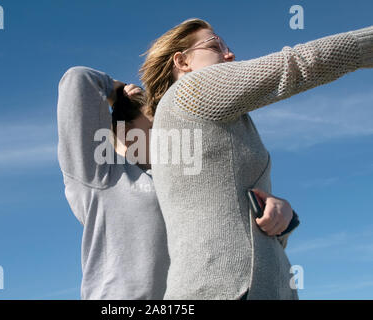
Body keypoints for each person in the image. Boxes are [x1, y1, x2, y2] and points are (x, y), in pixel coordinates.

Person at [140, 18, 373, 299]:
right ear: (183, 62)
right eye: (215, 46)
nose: (230, 54)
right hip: (228, 288)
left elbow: (231, 219)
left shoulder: (194, 121)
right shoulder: (189, 91)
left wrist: (284, 216)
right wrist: (365, 45)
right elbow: (296, 64)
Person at [57, 66, 170, 299]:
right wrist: (116, 91)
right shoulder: (99, 173)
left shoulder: (172, 179)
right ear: (128, 132)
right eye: (156, 126)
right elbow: (79, 79)